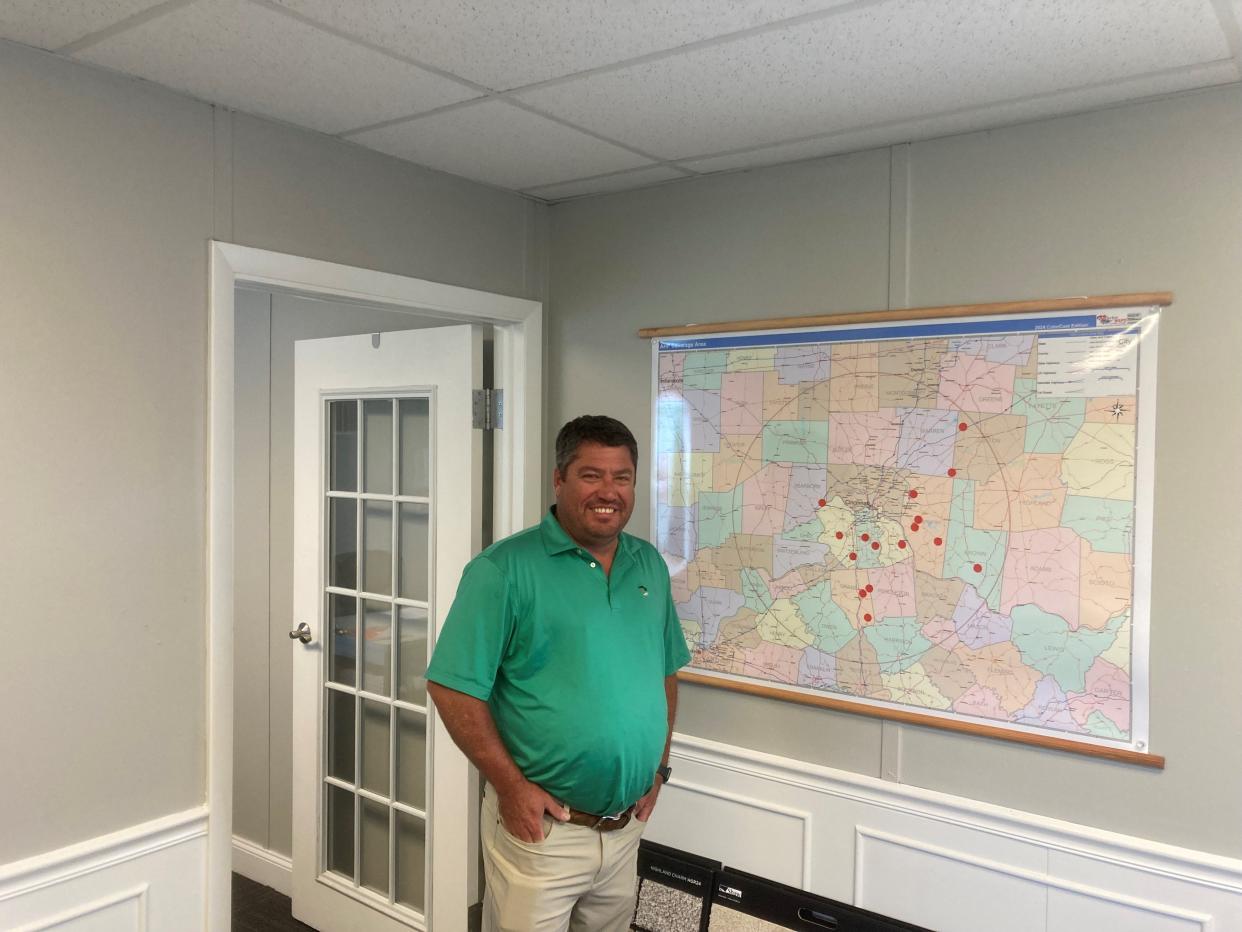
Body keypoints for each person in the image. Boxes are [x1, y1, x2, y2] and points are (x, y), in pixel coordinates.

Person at [426, 415, 691, 932]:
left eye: (622, 477)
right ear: (560, 479)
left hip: (623, 831)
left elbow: (665, 671)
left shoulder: (650, 566)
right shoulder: (504, 570)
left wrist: (658, 769)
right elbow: (452, 686)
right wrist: (511, 787)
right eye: (592, 475)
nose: (608, 492)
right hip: (544, 833)